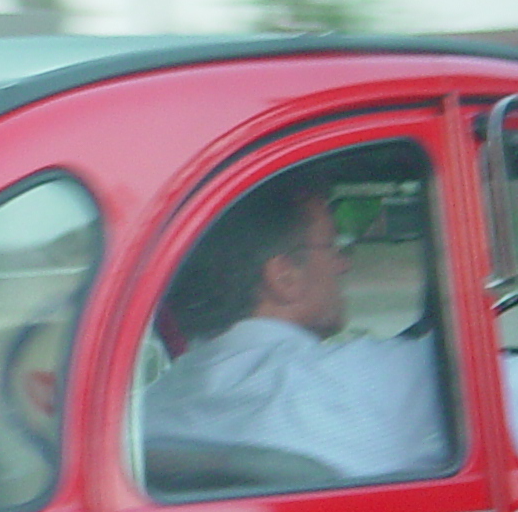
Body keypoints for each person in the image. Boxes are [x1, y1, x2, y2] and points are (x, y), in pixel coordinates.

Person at [139, 173, 449, 481]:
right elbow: (489, 377)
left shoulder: (148, 411)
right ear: (284, 276)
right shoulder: (363, 379)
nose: (344, 264)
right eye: (334, 245)